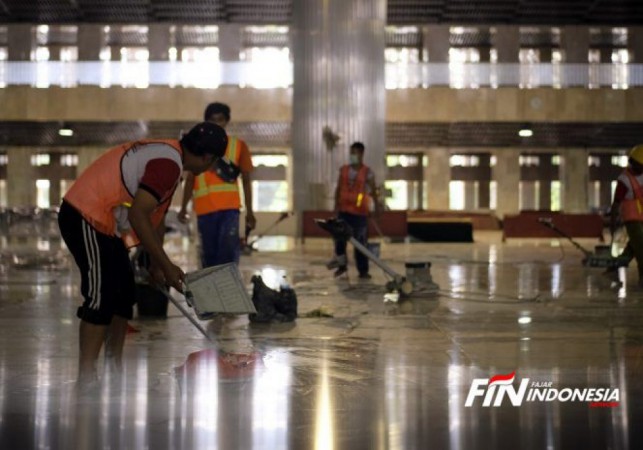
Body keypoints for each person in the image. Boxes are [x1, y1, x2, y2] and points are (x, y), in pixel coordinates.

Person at [58, 122, 228, 387]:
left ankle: (114, 367)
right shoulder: (167, 164)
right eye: (214, 162)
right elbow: (138, 215)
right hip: (85, 215)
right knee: (101, 294)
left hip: (105, 222)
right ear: (207, 158)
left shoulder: (172, 161)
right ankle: (87, 377)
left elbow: (154, 217)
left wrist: (157, 266)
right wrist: (167, 265)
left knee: (124, 292)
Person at [179, 102, 256, 267]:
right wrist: (184, 207)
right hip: (204, 210)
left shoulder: (238, 146)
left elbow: (247, 180)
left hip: (229, 209)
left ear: (227, 121)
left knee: (227, 255)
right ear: (206, 121)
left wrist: (250, 211)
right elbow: (190, 178)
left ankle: (227, 290)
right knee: (208, 257)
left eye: (220, 119)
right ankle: (211, 291)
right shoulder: (198, 147)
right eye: (212, 120)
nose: (217, 124)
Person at [332, 141, 381, 279]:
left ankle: (363, 271)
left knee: (360, 244)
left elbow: (373, 192)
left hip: (359, 214)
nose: (353, 155)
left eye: (355, 152)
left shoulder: (368, 172)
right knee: (339, 242)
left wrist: (376, 208)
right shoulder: (344, 170)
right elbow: (338, 188)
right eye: (351, 152)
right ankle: (342, 267)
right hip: (343, 212)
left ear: (362, 154)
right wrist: (335, 207)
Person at [609, 144, 643, 287]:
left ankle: (613, 267)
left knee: (633, 248)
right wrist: (612, 220)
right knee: (641, 247)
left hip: (642, 217)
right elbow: (616, 202)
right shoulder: (624, 179)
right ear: (634, 163)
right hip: (632, 219)